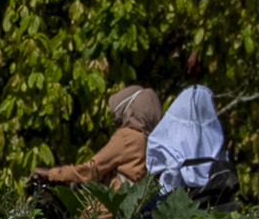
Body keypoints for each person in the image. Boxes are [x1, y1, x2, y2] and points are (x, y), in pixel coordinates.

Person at [36, 83, 165, 201]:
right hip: (138, 204)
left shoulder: (127, 137)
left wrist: (51, 174)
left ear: (129, 111)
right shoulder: (151, 140)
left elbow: (92, 170)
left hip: (114, 205)